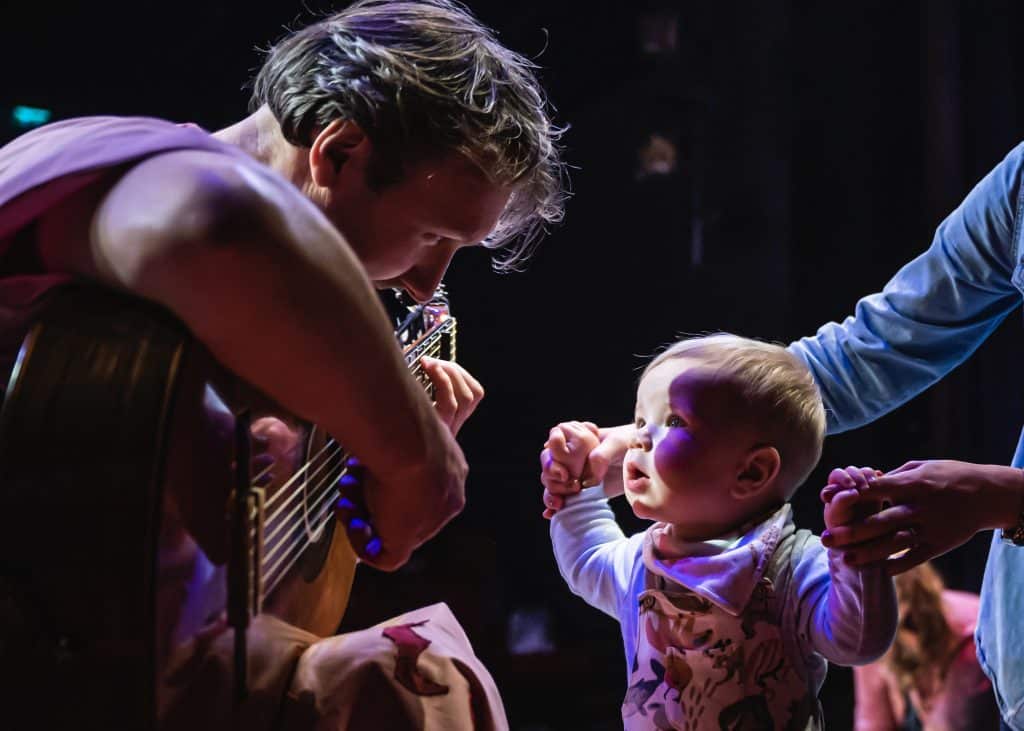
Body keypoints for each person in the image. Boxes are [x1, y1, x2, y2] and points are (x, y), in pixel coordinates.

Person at [0, 0, 565, 727]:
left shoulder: (278, 324)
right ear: (338, 151)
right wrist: (416, 453)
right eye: (429, 235)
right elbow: (212, 222)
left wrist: (375, 504)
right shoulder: (114, 158)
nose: (428, 284)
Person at [541, 333, 897, 729]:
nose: (637, 438)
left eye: (672, 421)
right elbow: (587, 558)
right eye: (642, 419)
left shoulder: (792, 567)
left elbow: (857, 642)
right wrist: (577, 486)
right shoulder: (644, 560)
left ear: (752, 472)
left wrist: (856, 546)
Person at [853, 561, 999, 730]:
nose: (912, 640)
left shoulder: (975, 631)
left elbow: (950, 725)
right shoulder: (870, 638)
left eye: (910, 622)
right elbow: (873, 724)